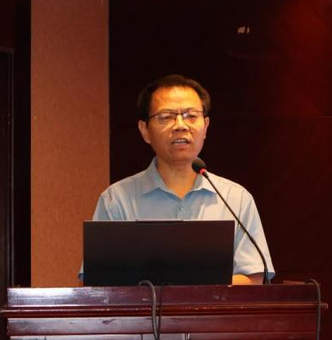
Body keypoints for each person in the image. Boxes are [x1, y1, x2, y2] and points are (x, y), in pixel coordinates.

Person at [87, 74, 274, 285]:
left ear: (206, 126)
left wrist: (189, 292)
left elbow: (253, 279)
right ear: (145, 130)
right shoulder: (116, 200)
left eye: (191, 116)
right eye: (166, 117)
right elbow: (97, 285)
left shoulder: (235, 199)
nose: (180, 125)